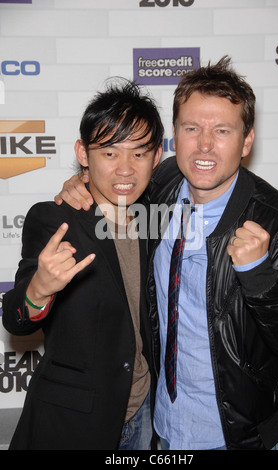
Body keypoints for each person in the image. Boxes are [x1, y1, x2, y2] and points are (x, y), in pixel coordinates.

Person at [54, 57, 278, 450]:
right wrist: (80, 179)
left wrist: (259, 278)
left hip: (241, 435)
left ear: (247, 140)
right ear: (174, 135)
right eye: (191, 129)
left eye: (222, 130)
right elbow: (116, 174)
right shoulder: (163, 183)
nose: (204, 145)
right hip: (164, 429)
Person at [2, 79, 163, 450]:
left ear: (156, 158)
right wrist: (38, 290)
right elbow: (15, 318)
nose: (125, 169)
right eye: (109, 153)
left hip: (144, 414)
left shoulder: (160, 216)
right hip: (74, 422)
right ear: (83, 154)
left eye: (139, 154)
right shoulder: (53, 220)